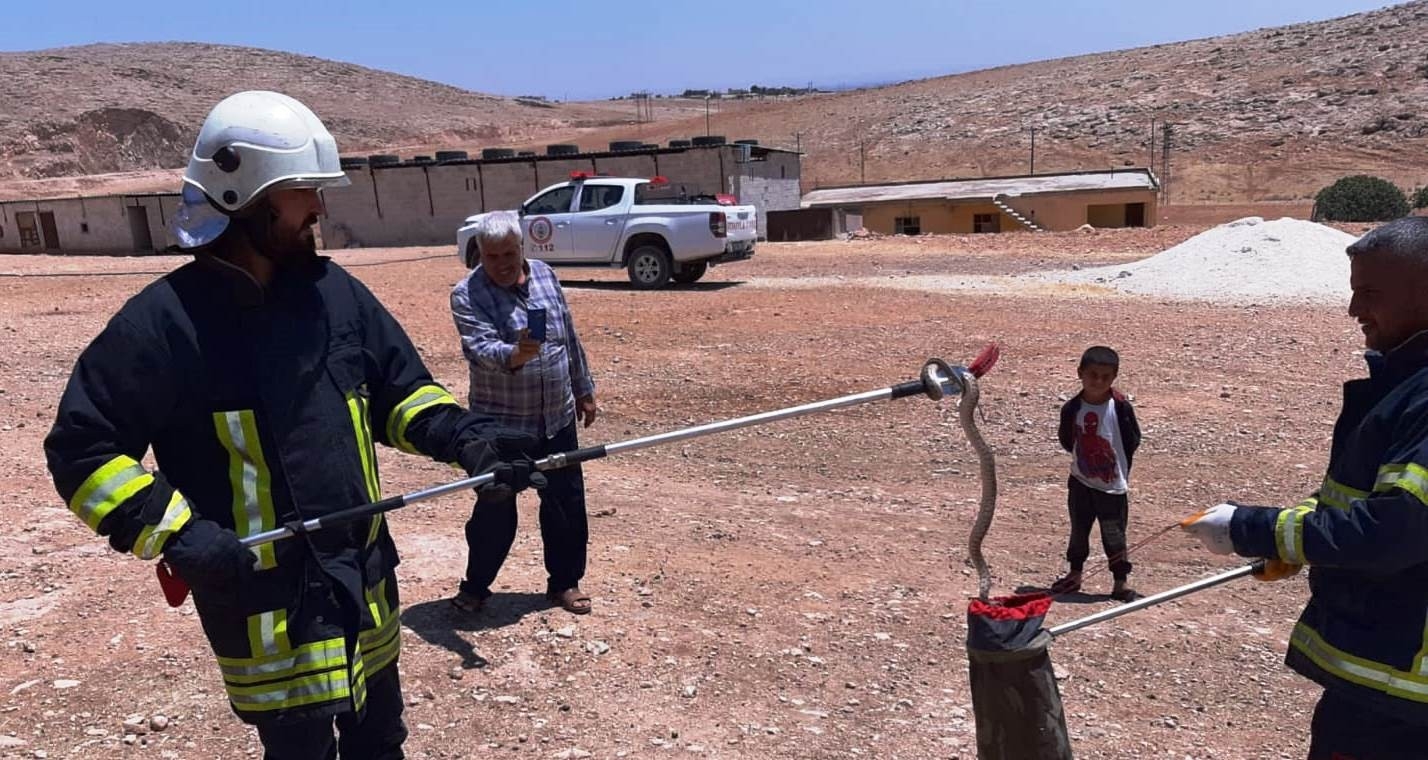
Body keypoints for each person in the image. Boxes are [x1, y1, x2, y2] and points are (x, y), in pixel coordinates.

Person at [43, 91, 542, 760]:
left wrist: (466, 439)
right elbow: (83, 447)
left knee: (380, 743)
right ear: (247, 198)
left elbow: (401, 393)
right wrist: (177, 533)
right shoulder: (162, 325)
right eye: (304, 190)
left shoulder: (335, 296)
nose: (320, 207)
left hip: (362, 582)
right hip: (261, 605)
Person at [1183, 217, 1428, 760]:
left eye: (1369, 294)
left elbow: (1395, 531)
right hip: (1386, 679)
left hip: (1401, 697)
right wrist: (1297, 540)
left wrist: (1252, 528)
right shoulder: (1405, 383)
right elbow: (1363, 500)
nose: (1353, 311)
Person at [449, 210, 598, 616]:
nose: (502, 263)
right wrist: (515, 354)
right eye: (492, 255)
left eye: (509, 253)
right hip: (502, 426)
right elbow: (479, 349)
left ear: (521, 247)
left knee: (565, 504)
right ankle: (476, 585)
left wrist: (583, 389)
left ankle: (565, 583)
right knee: (495, 508)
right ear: (479, 252)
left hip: (557, 416)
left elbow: (568, 334)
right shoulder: (467, 294)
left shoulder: (546, 275)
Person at [1050, 346, 1142, 601]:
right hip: (1080, 481)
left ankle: (1120, 582)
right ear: (1080, 373)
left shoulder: (1120, 407)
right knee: (1079, 531)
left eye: (1105, 377)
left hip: (1112, 487)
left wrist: (1116, 467)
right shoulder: (1072, 409)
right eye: (1093, 375)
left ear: (1114, 377)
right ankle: (1075, 574)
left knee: (1114, 535)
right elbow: (1067, 440)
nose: (1098, 381)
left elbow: (1132, 439)